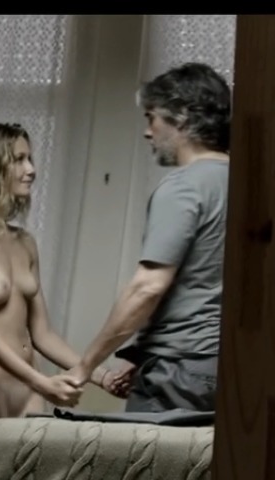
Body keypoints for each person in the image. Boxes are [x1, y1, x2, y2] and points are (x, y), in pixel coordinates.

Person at [67, 63, 231, 413]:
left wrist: (85, 366)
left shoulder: (183, 186)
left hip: (179, 371)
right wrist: (143, 355)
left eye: (151, 117)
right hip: (224, 365)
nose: (147, 132)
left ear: (181, 116)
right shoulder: (246, 183)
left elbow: (147, 288)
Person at [0, 123, 107, 434]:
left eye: (30, 159)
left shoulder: (25, 242)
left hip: (28, 393)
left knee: (38, 469)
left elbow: (43, 334)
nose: (31, 169)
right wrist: (43, 383)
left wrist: (101, 376)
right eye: (19, 159)